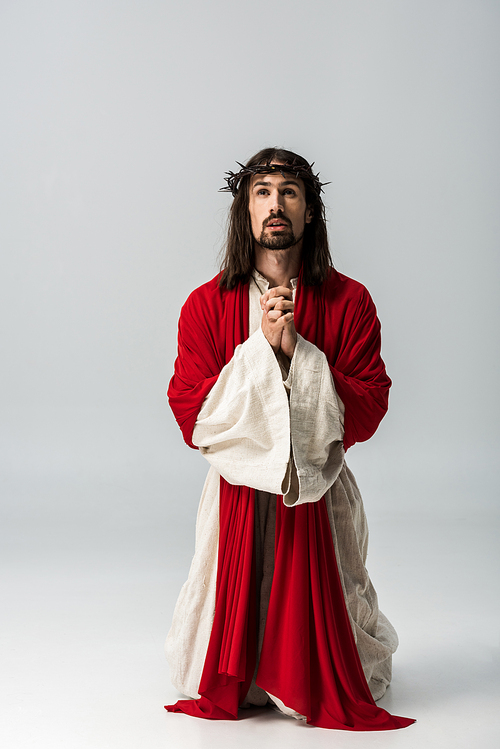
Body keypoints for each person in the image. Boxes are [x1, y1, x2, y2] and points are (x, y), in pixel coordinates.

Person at [164, 147, 414, 731]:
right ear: (245, 212)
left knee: (342, 634)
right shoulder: (206, 305)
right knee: (233, 628)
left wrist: (299, 354)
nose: (276, 205)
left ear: (309, 212)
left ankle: (311, 672)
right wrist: (260, 353)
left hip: (320, 493)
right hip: (235, 500)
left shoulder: (350, 302)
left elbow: (370, 403)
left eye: (290, 193)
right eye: (263, 192)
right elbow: (191, 413)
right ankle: (248, 672)